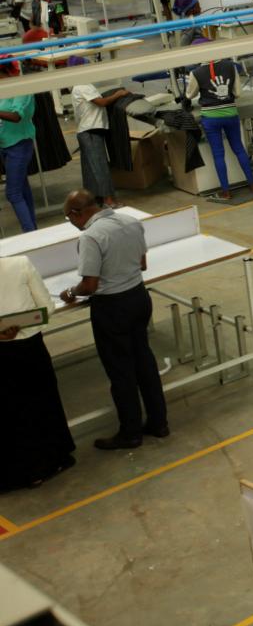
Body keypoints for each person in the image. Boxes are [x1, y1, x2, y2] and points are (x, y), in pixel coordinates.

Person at [58, 191, 168, 451]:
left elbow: (90, 284)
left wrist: (71, 293)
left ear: (77, 212)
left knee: (120, 372)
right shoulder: (131, 221)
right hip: (139, 298)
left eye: (68, 218)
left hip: (112, 308)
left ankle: (130, 433)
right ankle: (158, 422)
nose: (71, 223)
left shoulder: (91, 237)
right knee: (144, 362)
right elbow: (142, 264)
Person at [0, 253, 75, 490]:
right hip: (29, 348)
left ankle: (22, 473)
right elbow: (46, 307)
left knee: (10, 410)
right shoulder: (19, 264)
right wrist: (19, 326)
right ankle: (54, 459)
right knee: (42, 401)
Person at [184, 42, 253, 201]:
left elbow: (190, 95)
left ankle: (226, 192)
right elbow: (238, 93)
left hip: (211, 119)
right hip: (230, 114)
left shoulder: (196, 72)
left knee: (218, 154)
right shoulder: (230, 66)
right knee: (239, 149)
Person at [71, 72, 130, 207]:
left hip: (86, 130)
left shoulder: (81, 85)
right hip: (90, 131)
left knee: (90, 170)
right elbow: (101, 102)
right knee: (100, 167)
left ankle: (94, 199)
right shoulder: (82, 85)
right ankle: (108, 200)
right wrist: (118, 94)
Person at [0, 88, 38, 232]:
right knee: (23, 189)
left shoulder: (22, 88)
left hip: (19, 145)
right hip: (5, 145)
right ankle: (33, 231)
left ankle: (29, 234)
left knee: (13, 193)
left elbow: (16, 116)